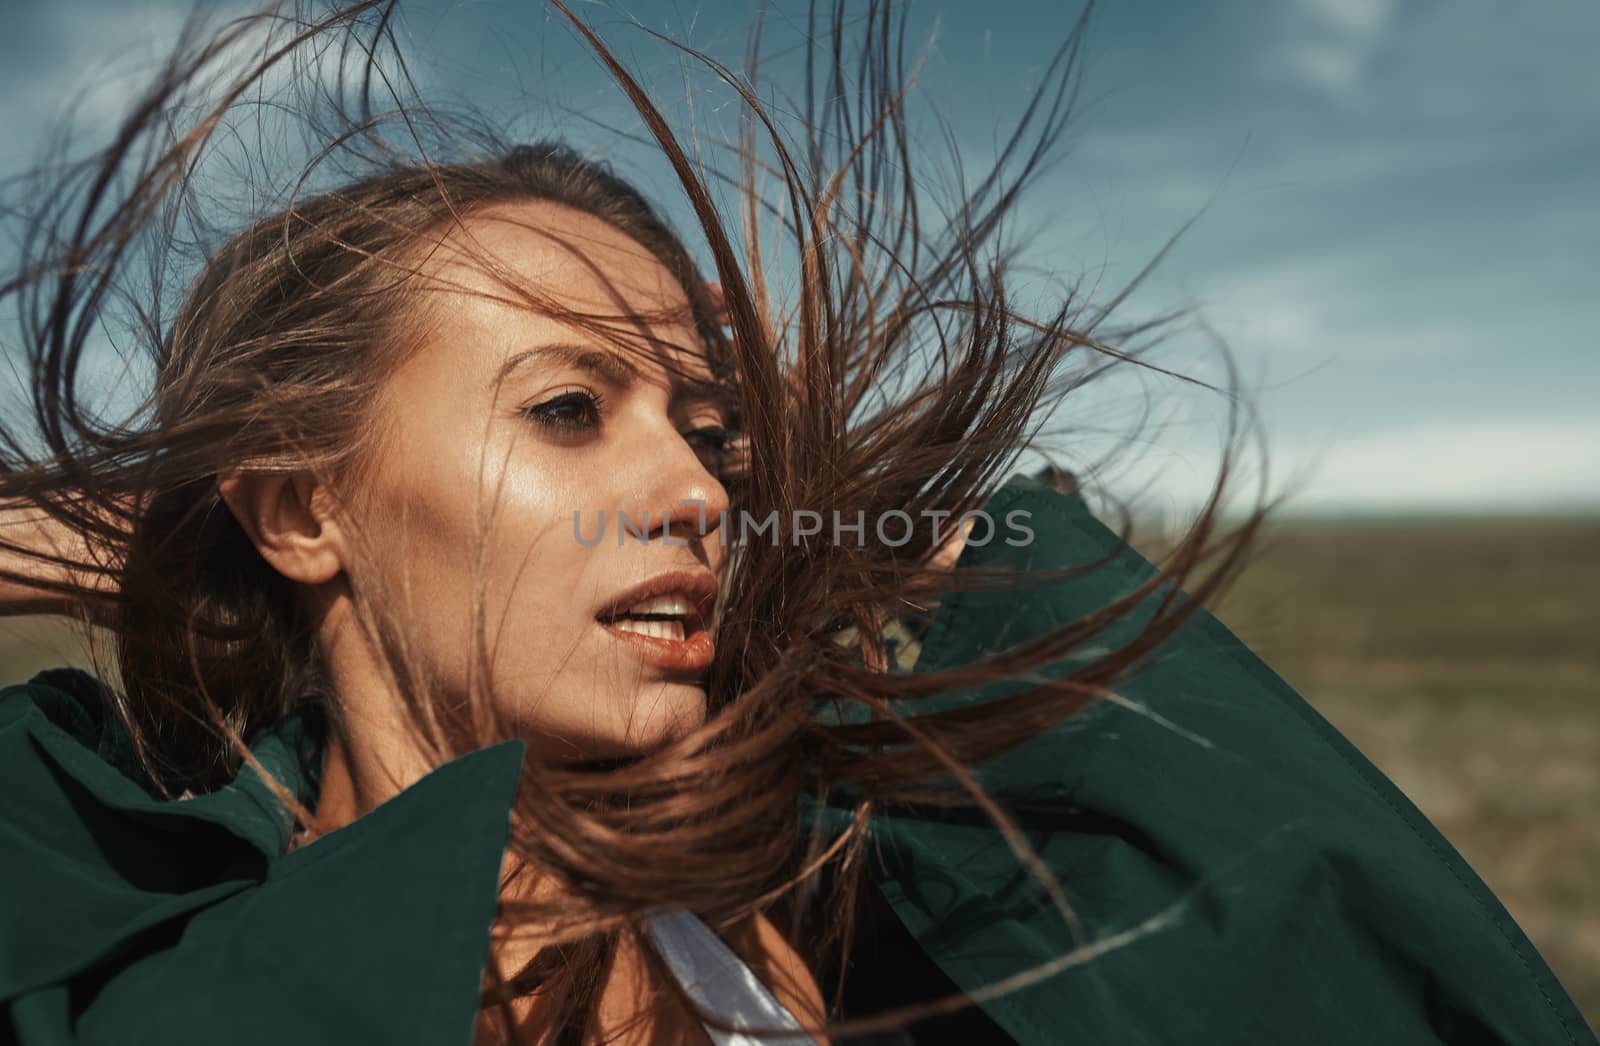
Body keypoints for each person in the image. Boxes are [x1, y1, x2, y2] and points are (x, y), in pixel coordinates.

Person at [0, 2, 1593, 1044]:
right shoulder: (218, 988)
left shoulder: (762, 900)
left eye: (707, 432)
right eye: (568, 408)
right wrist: (175, 532)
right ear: (296, 504)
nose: (700, 491)